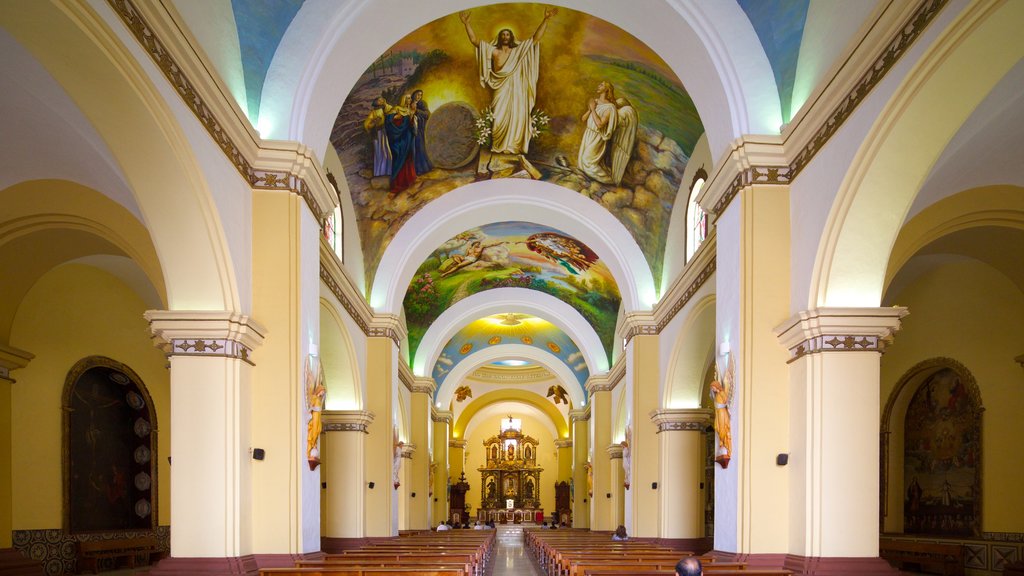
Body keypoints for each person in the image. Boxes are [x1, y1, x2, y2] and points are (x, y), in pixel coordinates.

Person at [459, 7, 557, 155]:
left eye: (507, 34)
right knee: (498, 117)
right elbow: (475, 41)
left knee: (517, 115)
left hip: (517, 88)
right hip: (501, 87)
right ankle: (499, 145)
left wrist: (546, 19)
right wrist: (466, 24)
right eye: (503, 34)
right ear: (500, 37)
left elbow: (535, 38)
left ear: (511, 37)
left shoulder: (518, 51)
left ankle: (514, 146)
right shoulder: (494, 51)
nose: (505, 36)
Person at [577, 81, 618, 184]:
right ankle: (588, 181)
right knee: (582, 162)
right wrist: (590, 109)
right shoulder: (595, 101)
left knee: (588, 161)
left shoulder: (610, 107)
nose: (598, 86)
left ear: (607, 89)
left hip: (597, 137)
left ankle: (609, 181)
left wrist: (593, 110)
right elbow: (583, 119)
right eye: (599, 84)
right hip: (588, 134)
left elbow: (599, 124)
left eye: (601, 85)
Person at [384, 94, 417, 195]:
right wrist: (397, 117)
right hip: (398, 139)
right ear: (403, 99)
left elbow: (411, 124)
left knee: (408, 158)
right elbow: (388, 122)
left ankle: (409, 179)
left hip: (408, 137)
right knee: (399, 157)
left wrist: (412, 116)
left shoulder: (410, 111)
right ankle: (398, 183)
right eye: (407, 98)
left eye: (410, 98)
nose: (409, 100)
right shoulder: (397, 108)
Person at [363, 96, 392, 178]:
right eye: (379, 100)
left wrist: (385, 104)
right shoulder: (373, 112)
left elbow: (392, 112)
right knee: (379, 152)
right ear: (375, 102)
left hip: (385, 132)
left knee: (386, 151)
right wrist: (374, 123)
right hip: (378, 133)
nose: (381, 101)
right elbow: (366, 124)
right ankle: (380, 172)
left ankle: (388, 170)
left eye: (382, 100)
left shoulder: (386, 108)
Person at [410, 90, 433, 175]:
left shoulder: (422, 103)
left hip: (419, 128)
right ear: (414, 94)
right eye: (417, 94)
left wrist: (416, 111)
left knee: (420, 147)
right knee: (412, 149)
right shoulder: (409, 102)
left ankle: (421, 168)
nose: (419, 96)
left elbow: (427, 114)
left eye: (420, 95)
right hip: (410, 128)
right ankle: (412, 170)